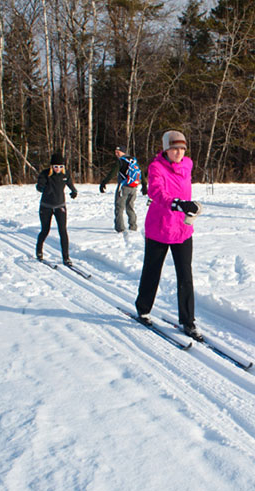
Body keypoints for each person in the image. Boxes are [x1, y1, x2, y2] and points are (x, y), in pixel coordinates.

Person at [135, 131, 203, 341]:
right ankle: (143, 308)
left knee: (185, 275)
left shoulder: (188, 165)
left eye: (182, 148)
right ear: (166, 149)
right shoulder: (156, 167)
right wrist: (178, 204)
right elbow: (156, 192)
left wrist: (190, 206)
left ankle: (188, 321)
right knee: (152, 270)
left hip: (182, 229)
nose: (179, 152)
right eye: (174, 148)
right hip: (159, 227)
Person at [36, 152, 78, 265]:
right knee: (45, 230)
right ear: (51, 166)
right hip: (46, 206)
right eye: (55, 167)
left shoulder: (65, 174)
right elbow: (39, 186)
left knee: (63, 231)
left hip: (60, 206)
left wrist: (74, 191)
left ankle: (66, 257)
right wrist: (42, 187)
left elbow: (70, 184)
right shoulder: (45, 174)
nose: (58, 169)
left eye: (60, 166)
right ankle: (39, 251)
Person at [99, 146, 147, 232]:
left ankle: (119, 228)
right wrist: (144, 185)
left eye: (118, 152)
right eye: (115, 152)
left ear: (123, 152)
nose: (116, 153)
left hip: (123, 187)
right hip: (133, 187)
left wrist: (104, 182)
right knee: (130, 206)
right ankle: (133, 226)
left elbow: (112, 173)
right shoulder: (133, 160)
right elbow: (141, 172)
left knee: (119, 207)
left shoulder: (121, 161)